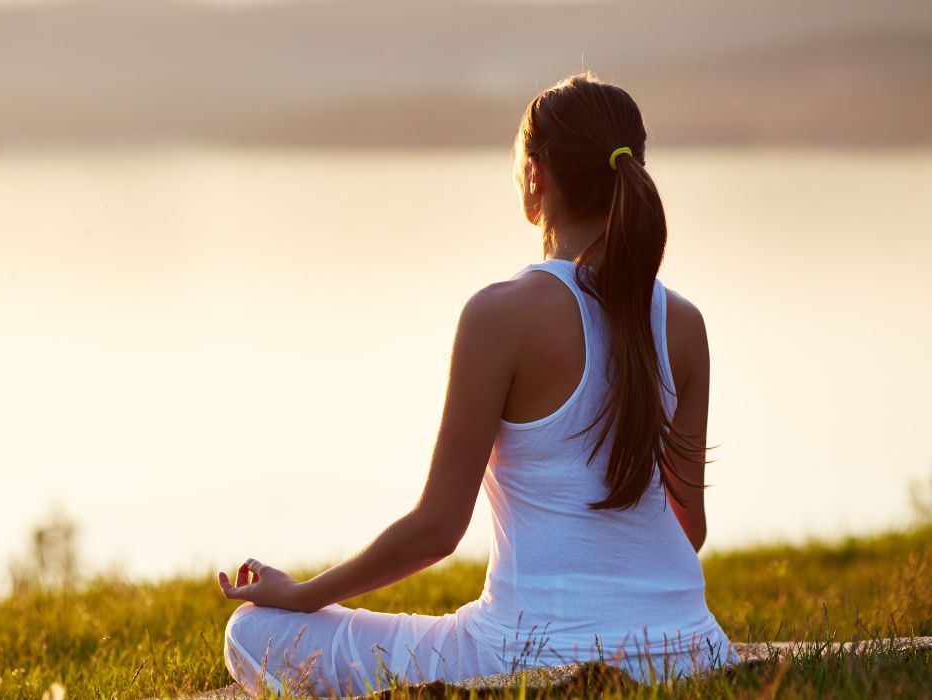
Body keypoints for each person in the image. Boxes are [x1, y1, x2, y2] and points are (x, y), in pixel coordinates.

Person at [217, 71, 740, 695]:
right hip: (693, 646)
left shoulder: (500, 316)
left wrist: (303, 594)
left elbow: (439, 529)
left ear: (536, 181)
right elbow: (691, 530)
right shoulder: (683, 322)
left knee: (252, 632)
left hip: (525, 653)